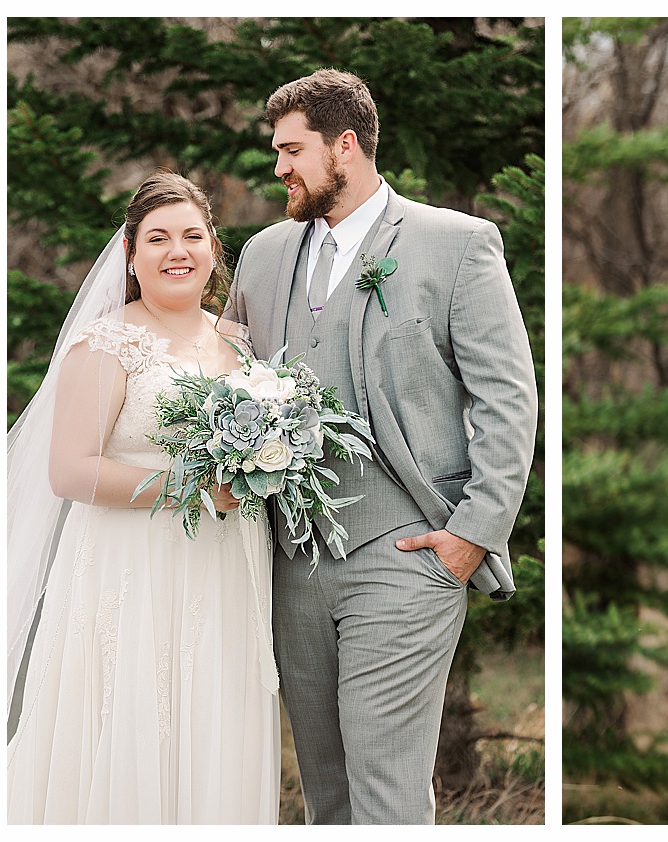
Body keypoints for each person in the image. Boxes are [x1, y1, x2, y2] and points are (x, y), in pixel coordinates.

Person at [224, 68, 537, 824]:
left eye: (291, 150)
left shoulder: (456, 244)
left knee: (388, 796)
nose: (279, 169)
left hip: (406, 556)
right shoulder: (263, 255)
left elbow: (509, 397)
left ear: (346, 145)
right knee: (325, 800)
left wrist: (472, 535)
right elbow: (224, 381)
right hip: (291, 566)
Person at [7, 172, 280, 823]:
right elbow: (71, 471)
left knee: (216, 718)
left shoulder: (240, 344)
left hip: (226, 571)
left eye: (191, 235)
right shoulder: (107, 342)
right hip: (131, 569)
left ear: (214, 249)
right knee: (130, 720)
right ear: (131, 255)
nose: (176, 251)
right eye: (157, 238)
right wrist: (190, 488)